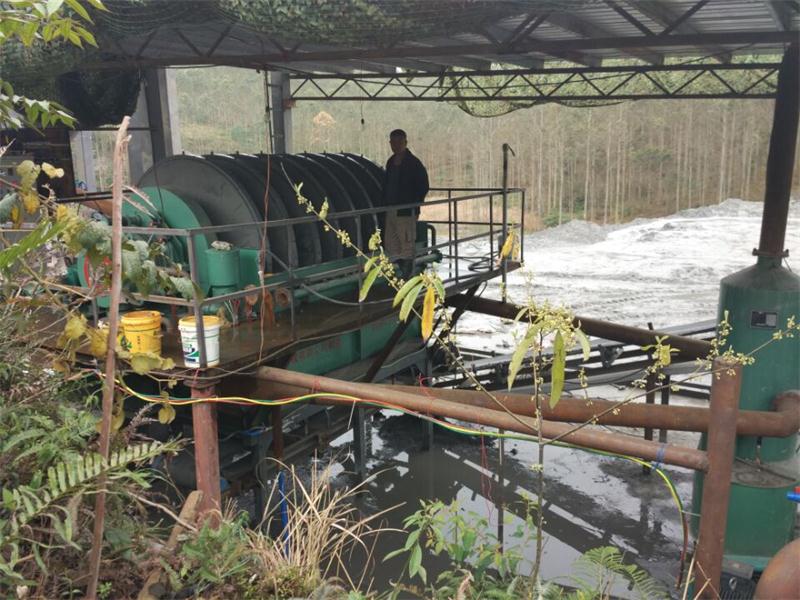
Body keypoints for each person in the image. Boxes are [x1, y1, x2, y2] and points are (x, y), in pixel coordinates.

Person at [381, 129, 429, 277]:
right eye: (393, 143)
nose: (395, 146)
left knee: (406, 246)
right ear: (390, 143)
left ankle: (408, 277)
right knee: (392, 244)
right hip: (391, 210)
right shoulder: (390, 162)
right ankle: (397, 277)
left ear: (405, 143)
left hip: (406, 211)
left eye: (399, 142)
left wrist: (414, 206)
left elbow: (423, 186)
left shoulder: (413, 163)